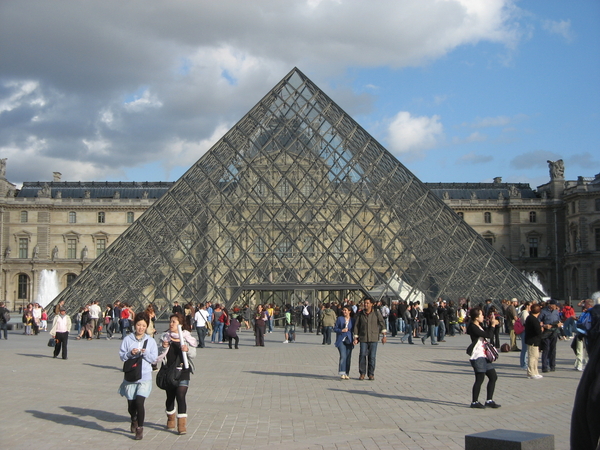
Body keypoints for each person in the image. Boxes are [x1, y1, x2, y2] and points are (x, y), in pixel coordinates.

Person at [118, 313, 158, 440]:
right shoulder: (128, 339)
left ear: (147, 326)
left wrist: (144, 354)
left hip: (145, 376)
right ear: (135, 325)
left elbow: (154, 359)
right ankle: (133, 418)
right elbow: (122, 356)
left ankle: (140, 428)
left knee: (140, 402)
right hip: (131, 376)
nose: (141, 328)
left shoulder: (150, 341)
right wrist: (131, 353)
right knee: (131, 405)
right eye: (139, 325)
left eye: (143, 326)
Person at [157, 313, 198, 435]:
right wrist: (164, 347)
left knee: (181, 395)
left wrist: (188, 350)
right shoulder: (164, 337)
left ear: (180, 324)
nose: (171, 324)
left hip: (183, 370)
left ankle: (182, 425)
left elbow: (194, 354)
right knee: (170, 397)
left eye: (174, 322)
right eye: (170, 322)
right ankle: (170, 418)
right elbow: (158, 355)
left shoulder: (187, 338)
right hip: (169, 371)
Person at [466, 307, 501, 409]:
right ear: (476, 317)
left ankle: (489, 400)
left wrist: (492, 323)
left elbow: (488, 332)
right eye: (481, 315)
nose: (483, 317)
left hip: (484, 355)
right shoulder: (473, 327)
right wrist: (493, 325)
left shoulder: (479, 325)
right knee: (479, 378)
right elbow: (489, 335)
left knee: (493, 376)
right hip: (478, 356)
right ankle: (474, 402)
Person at [353, 297, 386, 380]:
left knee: (372, 357)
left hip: (373, 338)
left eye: (367, 303)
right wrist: (356, 337)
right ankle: (362, 373)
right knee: (362, 355)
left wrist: (384, 336)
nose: (366, 305)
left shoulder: (376, 313)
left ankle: (371, 374)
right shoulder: (360, 314)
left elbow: (382, 323)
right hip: (363, 338)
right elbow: (356, 326)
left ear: (372, 304)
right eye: (365, 303)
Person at [539, 299, 563, 373]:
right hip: (546, 333)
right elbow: (538, 320)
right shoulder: (543, 311)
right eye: (555, 305)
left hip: (554, 332)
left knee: (553, 350)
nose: (556, 307)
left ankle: (552, 366)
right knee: (546, 349)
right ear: (551, 305)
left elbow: (559, 320)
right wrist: (544, 325)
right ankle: (544, 367)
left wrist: (560, 324)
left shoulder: (556, 312)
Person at [334, 305, 354, 379]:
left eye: (345, 310)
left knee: (348, 357)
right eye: (343, 310)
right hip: (341, 340)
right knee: (343, 356)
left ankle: (347, 372)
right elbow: (335, 328)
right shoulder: (340, 319)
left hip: (349, 340)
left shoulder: (353, 320)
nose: (344, 311)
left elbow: (354, 330)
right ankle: (342, 372)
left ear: (349, 311)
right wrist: (341, 330)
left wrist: (355, 338)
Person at [525, 303, 543, 379]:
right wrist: (541, 328)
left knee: (535, 356)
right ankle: (531, 372)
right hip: (533, 340)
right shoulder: (534, 320)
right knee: (532, 357)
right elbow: (538, 331)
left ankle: (535, 371)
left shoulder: (530, 318)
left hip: (532, 340)